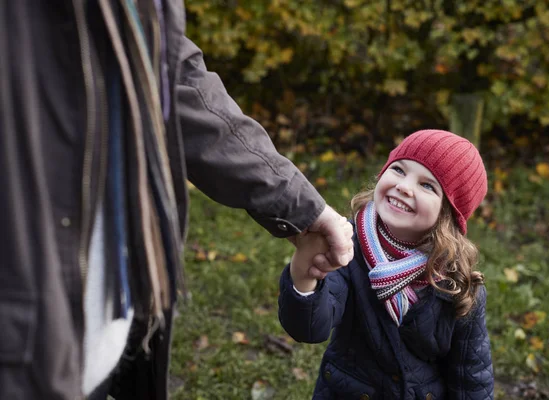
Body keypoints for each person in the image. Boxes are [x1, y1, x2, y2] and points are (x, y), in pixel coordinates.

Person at [0, 2, 353, 400]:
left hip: (97, 343)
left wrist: (300, 205)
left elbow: (172, 77)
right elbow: (311, 324)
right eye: (400, 170)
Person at [279, 129, 494, 399]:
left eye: (427, 185)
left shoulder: (457, 282)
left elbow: (471, 375)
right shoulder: (347, 245)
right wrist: (304, 274)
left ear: (447, 214)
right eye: (399, 170)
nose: (404, 186)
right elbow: (310, 328)